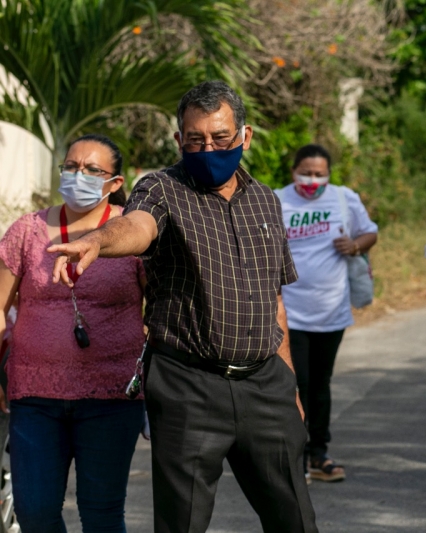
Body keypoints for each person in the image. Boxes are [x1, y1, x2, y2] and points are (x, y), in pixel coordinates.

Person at [48, 81, 317, 533]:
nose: (207, 148)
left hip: (265, 385)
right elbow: (138, 226)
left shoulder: (267, 202)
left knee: (295, 519)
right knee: (183, 523)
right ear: (179, 140)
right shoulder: (162, 187)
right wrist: (97, 239)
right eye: (195, 140)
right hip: (189, 387)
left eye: (220, 138)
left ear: (244, 136)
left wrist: (287, 380)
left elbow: (274, 298)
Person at [0, 133, 146, 532]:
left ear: (115, 183)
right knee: (35, 512)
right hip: (35, 396)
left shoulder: (130, 232)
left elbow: (160, 310)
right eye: (72, 167)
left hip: (111, 397)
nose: (78, 175)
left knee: (101, 514)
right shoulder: (26, 231)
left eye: (92, 170)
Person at [276, 144, 378, 482]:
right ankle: (297, 456)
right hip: (291, 311)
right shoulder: (276, 200)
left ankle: (319, 454)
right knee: (297, 383)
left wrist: (355, 245)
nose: (313, 180)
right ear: (293, 172)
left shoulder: (342, 198)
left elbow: (370, 232)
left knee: (321, 383)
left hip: (332, 310)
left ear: (329, 175)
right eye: (306, 172)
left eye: (320, 174)